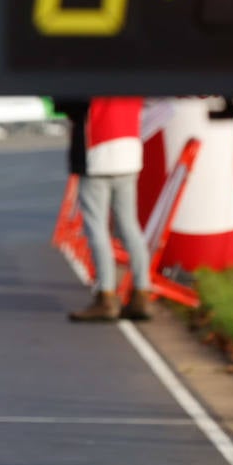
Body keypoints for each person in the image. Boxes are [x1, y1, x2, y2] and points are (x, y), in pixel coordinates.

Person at [61, 97, 153, 322]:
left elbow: (68, 105)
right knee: (130, 227)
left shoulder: (89, 78)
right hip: (129, 150)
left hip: (97, 151)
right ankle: (141, 293)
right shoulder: (132, 78)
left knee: (97, 229)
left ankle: (106, 297)